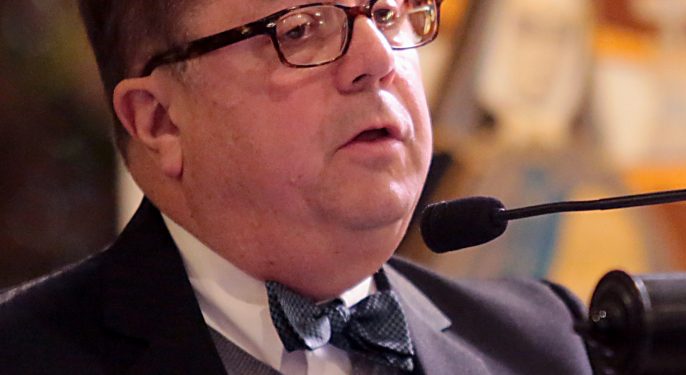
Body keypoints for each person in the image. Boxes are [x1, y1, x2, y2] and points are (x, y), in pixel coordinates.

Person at [0, 0, 592, 374]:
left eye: (386, 13)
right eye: (301, 28)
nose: (378, 57)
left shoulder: (547, 342)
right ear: (160, 121)